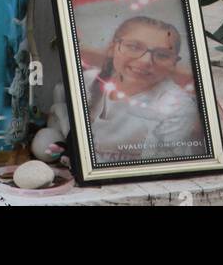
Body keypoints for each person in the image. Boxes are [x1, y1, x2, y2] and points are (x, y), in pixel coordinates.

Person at [83, 15, 204, 164]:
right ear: (112, 48)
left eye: (162, 55)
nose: (145, 61)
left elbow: (157, 165)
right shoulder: (88, 81)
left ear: (174, 63)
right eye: (133, 47)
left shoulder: (178, 108)